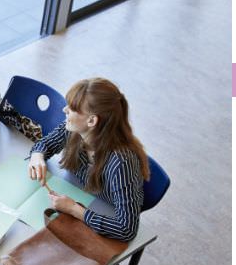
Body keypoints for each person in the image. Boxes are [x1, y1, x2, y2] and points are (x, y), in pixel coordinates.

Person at [27, 78, 150, 242]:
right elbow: (44, 144)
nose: (65, 110)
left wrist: (73, 209)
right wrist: (37, 157)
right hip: (78, 190)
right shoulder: (74, 129)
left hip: (104, 211)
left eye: (72, 108)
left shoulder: (121, 162)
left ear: (92, 121)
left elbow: (126, 229)